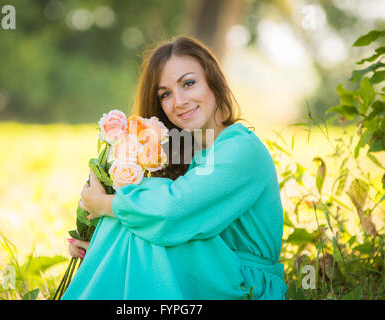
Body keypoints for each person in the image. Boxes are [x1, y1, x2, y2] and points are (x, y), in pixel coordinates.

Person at [61, 36, 287, 300]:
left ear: (213, 81)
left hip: (246, 284)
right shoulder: (194, 153)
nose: (178, 101)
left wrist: (105, 204)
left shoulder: (241, 150)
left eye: (188, 83)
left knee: (151, 217)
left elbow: (171, 212)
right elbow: (159, 219)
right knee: (144, 223)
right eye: (165, 94)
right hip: (206, 270)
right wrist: (101, 244)